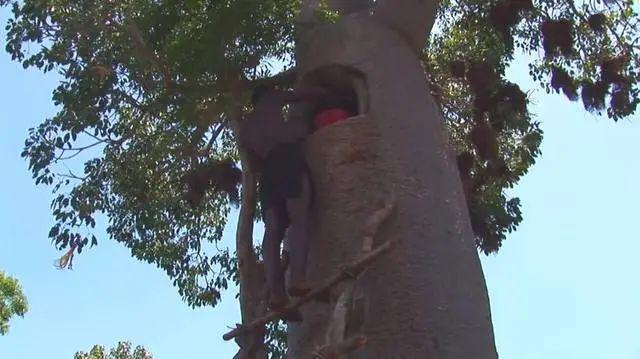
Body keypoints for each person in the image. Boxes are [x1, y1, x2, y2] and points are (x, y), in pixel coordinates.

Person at [237, 84, 328, 314]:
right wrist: (326, 90)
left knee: (273, 230)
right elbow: (302, 93)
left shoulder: (246, 128)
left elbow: (252, 163)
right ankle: (298, 278)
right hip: (288, 159)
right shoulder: (271, 99)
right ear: (265, 95)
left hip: (267, 175)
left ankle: (277, 294)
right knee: (299, 218)